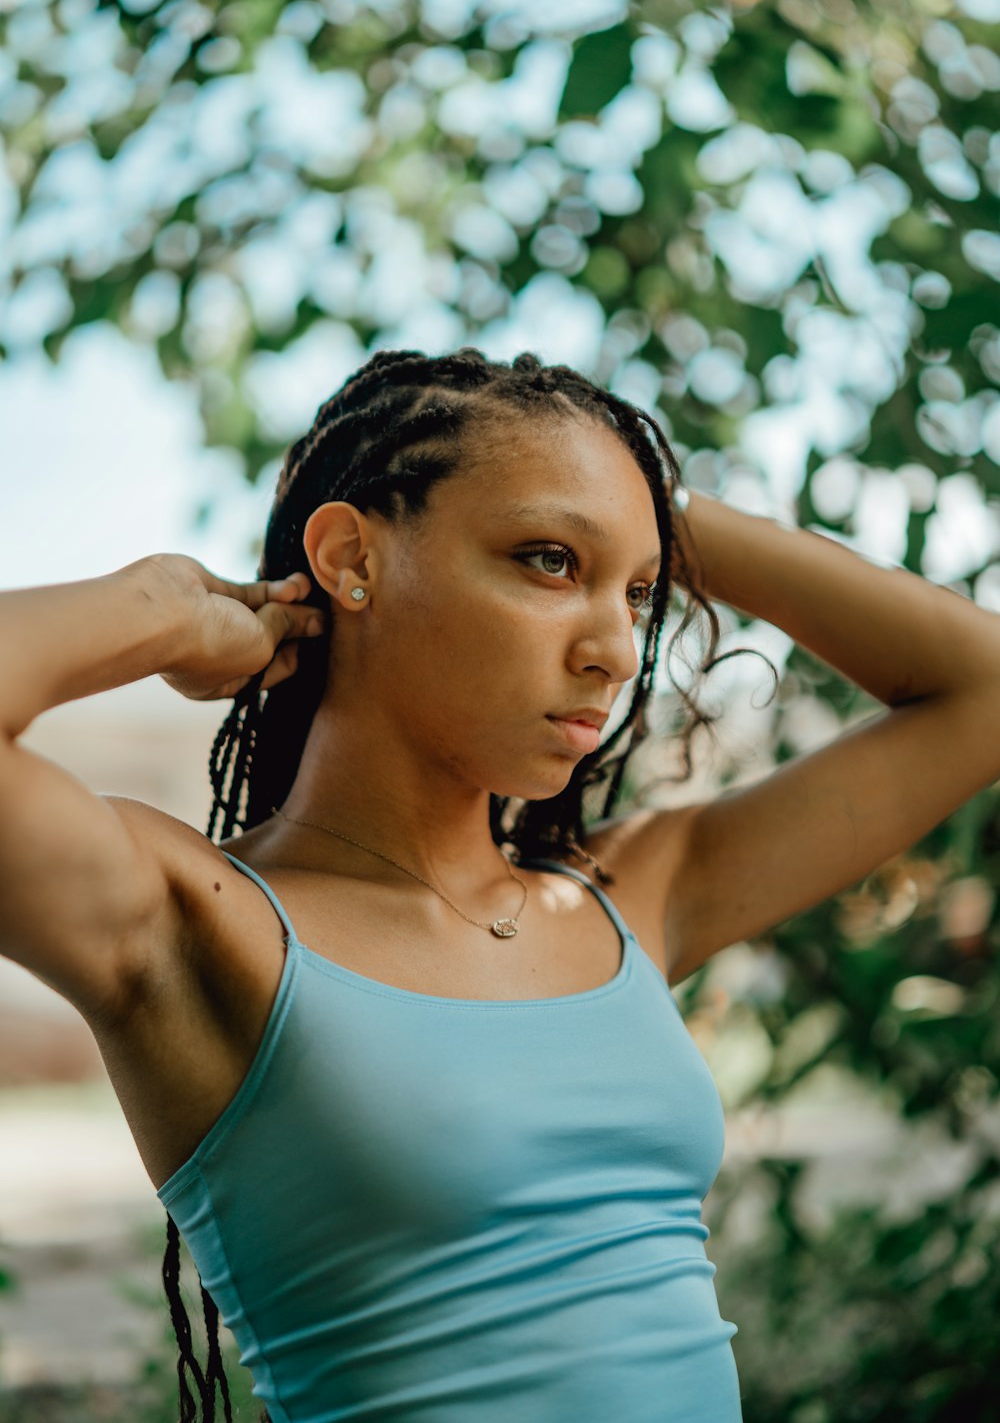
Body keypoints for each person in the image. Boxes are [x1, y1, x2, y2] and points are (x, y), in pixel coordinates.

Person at [2, 348, 998, 1423]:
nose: (617, 646)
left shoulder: (631, 896)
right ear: (351, 558)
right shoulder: (192, 915)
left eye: (638, 590)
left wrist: (655, 509)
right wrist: (162, 610)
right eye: (548, 560)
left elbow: (976, 691)